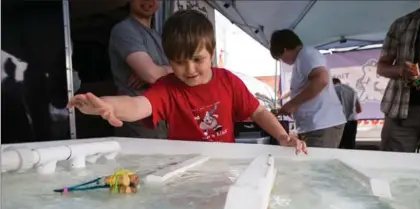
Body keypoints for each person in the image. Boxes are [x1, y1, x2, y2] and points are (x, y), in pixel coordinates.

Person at [68, 10, 308, 154]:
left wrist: (282, 137)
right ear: (168, 60)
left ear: (211, 53)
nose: (190, 69)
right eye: (179, 62)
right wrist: (107, 105)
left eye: (197, 59)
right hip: (184, 168)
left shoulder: (228, 81)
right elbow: (137, 105)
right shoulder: (168, 88)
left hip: (225, 164)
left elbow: (258, 112)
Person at [270, 29, 347, 148]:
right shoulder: (303, 58)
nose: (282, 61)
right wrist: (292, 106)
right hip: (317, 125)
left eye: (280, 57)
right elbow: (308, 87)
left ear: (284, 50)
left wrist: (293, 104)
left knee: (317, 165)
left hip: (322, 124)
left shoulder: (306, 55)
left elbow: (322, 79)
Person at [108, 0, 172, 139]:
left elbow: (182, 72)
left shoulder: (158, 36)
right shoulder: (125, 30)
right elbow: (151, 75)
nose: (148, 2)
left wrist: (161, 70)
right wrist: (159, 72)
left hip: (161, 118)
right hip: (138, 121)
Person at [377, 0, 420, 153]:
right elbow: (382, 67)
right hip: (400, 110)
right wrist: (401, 70)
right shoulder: (401, 24)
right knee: (392, 169)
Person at [333, 78, 362, 149]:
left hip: (338, 122)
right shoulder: (352, 90)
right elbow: (359, 109)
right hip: (352, 122)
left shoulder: (332, 90)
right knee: (350, 145)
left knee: (337, 145)